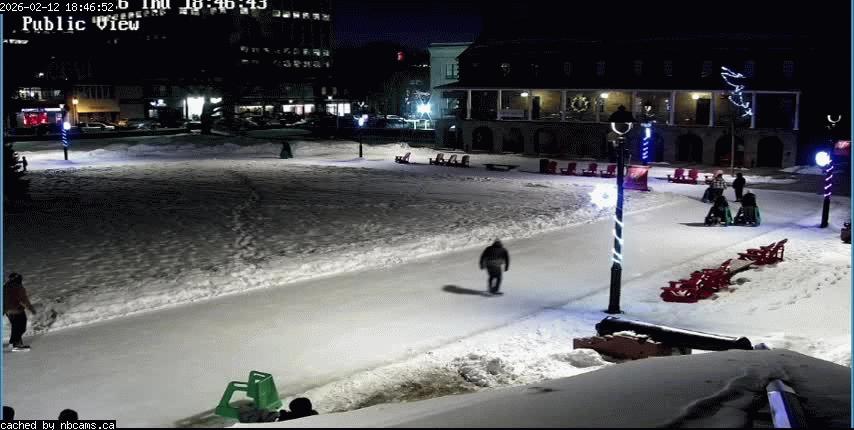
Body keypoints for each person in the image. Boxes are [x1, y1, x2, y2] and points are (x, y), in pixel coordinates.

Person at [4, 273, 36, 350]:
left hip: (8, 311)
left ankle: (17, 343)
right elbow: (24, 300)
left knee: (16, 327)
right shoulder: (18, 287)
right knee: (21, 327)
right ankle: (14, 343)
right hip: (17, 310)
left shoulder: (5, 287)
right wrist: (31, 308)